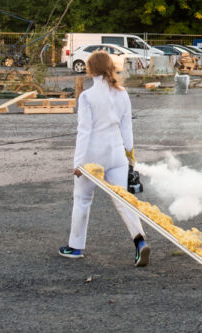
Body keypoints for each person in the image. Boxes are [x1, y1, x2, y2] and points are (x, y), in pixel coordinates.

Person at [59, 50, 150, 267]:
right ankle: (139, 241)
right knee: (123, 200)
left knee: (82, 200)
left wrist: (78, 163)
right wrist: (130, 157)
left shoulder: (87, 96)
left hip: (93, 154)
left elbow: (84, 131)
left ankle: (76, 246)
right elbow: (127, 128)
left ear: (90, 69)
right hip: (117, 152)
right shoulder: (123, 94)